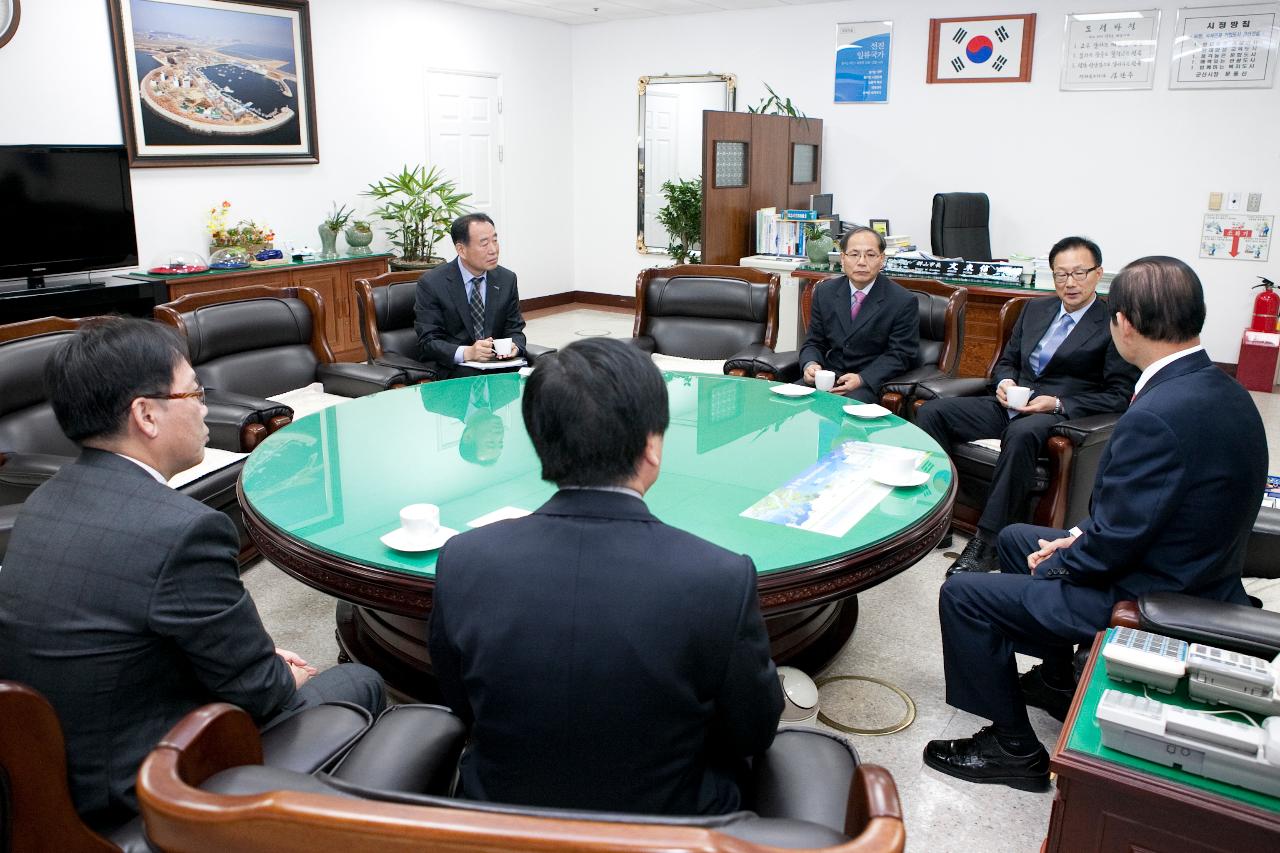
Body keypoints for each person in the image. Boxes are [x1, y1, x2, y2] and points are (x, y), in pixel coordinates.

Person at [0, 318, 385, 831]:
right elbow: (262, 693)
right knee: (359, 680)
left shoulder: (44, 500)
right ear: (146, 415)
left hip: (53, 771)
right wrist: (276, 673)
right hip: (140, 788)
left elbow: (132, 624)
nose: (205, 408)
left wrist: (261, 659)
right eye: (195, 392)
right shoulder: (182, 530)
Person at [924, 256, 1267, 791]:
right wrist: (1072, 541)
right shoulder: (1223, 388)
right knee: (1016, 540)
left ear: (1124, 323)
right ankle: (1059, 679)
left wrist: (1065, 555)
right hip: (1196, 566)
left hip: (1153, 592)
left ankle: (1012, 746)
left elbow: (1118, 544)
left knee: (965, 595)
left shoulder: (1156, 414)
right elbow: (1145, 511)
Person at [429, 337, 783, 815]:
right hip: (671, 828)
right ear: (652, 445)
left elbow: (462, 704)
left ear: (540, 442)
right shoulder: (719, 577)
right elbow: (752, 731)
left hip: (501, 820)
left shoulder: (463, 560)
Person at [916, 236, 1137, 575]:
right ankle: (937, 519)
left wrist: (1059, 403)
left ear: (1098, 274)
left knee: (1020, 433)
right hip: (1009, 402)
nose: (1070, 282)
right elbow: (1006, 361)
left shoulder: (1112, 323)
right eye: (1061, 274)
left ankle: (987, 543)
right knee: (931, 412)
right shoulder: (1035, 308)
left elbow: (1119, 394)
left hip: (1055, 414)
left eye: (1079, 273)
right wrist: (1004, 383)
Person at [798, 226, 919, 403]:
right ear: (842, 258)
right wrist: (811, 365)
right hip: (828, 378)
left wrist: (862, 379)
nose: (862, 262)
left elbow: (901, 355)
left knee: (842, 415)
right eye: (854, 254)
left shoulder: (902, 300)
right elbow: (814, 342)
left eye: (870, 255)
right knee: (787, 406)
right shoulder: (825, 292)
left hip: (869, 384)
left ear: (882, 259)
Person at [413, 212, 527, 376]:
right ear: (461, 250)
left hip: (498, 367)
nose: (493, 250)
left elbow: (515, 329)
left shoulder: (506, 279)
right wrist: (468, 353)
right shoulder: (432, 283)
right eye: (484, 243)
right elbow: (428, 342)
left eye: (495, 241)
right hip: (456, 371)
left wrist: (514, 346)